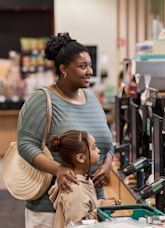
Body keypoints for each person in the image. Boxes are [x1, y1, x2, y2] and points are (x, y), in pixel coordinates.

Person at [17, 33, 114, 227]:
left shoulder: (93, 99)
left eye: (90, 65)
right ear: (63, 69)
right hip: (51, 208)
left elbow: (108, 144)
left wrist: (106, 166)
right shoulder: (42, 99)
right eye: (82, 66)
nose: (89, 71)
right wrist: (58, 169)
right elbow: (25, 145)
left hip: (92, 203)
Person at [48, 130, 120, 228]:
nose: (98, 150)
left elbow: (86, 208)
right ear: (81, 158)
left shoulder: (84, 180)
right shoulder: (75, 191)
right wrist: (102, 210)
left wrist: (102, 203)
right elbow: (78, 225)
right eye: (94, 148)